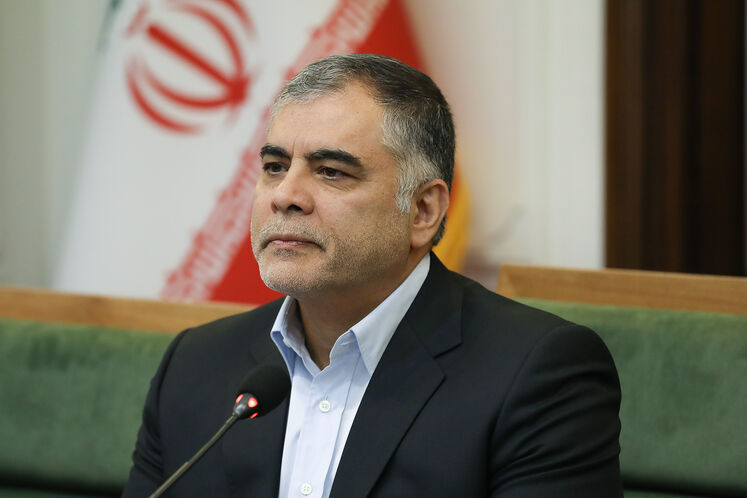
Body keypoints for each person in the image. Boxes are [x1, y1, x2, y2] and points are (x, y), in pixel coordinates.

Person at [123, 54, 622, 497]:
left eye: (331, 172)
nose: (285, 195)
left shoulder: (536, 374)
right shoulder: (195, 366)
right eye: (275, 166)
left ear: (423, 210)